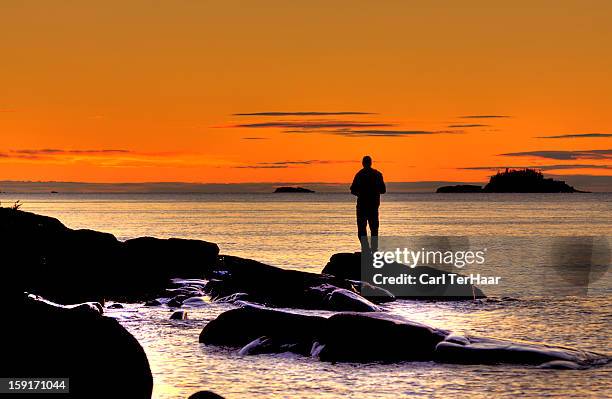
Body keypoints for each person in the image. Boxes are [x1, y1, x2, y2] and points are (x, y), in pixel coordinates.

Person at [350, 155, 386, 251]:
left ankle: (366, 249)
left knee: (362, 229)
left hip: (363, 206)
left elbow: (352, 190)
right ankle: (373, 249)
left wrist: (361, 194)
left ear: (363, 163)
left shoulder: (359, 174)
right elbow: (383, 190)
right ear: (370, 163)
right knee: (373, 229)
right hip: (372, 206)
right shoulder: (377, 174)